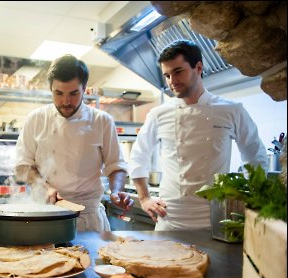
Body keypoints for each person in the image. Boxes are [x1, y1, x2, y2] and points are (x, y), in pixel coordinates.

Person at [129, 40, 269, 230]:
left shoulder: (231, 110)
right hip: (170, 216)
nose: (172, 81)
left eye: (178, 72)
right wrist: (144, 198)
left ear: (199, 67)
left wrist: (250, 198)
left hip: (215, 217)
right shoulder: (158, 113)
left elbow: (255, 155)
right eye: (167, 75)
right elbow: (139, 156)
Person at [15, 54, 134, 232]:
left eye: (73, 93)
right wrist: (45, 187)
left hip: (87, 217)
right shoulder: (36, 119)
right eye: (58, 93)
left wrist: (116, 191)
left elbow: (115, 165)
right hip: (45, 213)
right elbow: (22, 166)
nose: (65, 101)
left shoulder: (102, 121)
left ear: (84, 88)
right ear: (51, 89)